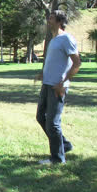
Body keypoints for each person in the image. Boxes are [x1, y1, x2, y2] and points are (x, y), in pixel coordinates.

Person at [35, 10, 81, 165]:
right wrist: (42, 73)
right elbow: (53, 61)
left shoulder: (66, 39)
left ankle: (58, 158)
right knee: (41, 116)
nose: (49, 19)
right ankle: (64, 145)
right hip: (47, 84)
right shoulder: (52, 39)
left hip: (57, 87)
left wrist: (63, 83)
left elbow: (77, 63)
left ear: (60, 21)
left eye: (52, 17)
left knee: (53, 123)